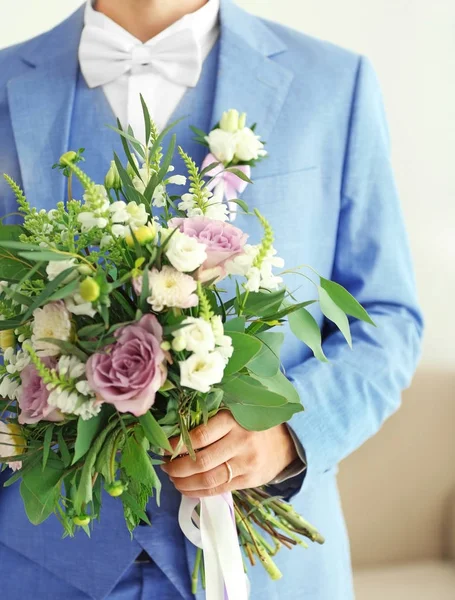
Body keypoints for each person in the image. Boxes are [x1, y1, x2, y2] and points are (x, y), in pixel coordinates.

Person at [0, 1, 423, 598]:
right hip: (36, 563)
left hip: (267, 571)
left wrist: (291, 434)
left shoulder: (334, 82)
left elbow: (387, 317)